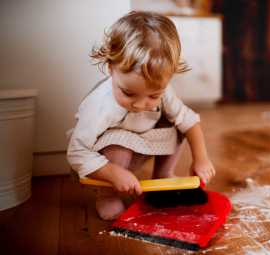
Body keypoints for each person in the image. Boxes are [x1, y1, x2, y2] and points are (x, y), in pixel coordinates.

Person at [67, 11, 215, 220]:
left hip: (142, 142)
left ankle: (163, 176)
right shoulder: (100, 105)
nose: (139, 104)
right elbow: (76, 152)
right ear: (111, 68)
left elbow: (189, 121)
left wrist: (201, 159)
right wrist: (112, 173)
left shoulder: (164, 92)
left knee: (177, 126)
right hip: (109, 158)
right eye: (128, 93)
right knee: (119, 146)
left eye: (153, 95)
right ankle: (107, 194)